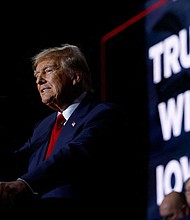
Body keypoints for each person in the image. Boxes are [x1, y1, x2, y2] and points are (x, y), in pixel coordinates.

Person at [0, 44, 127, 218]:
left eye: (48, 71)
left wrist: (25, 183)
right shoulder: (44, 125)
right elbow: (19, 157)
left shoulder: (103, 113)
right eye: (37, 75)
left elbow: (75, 153)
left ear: (75, 76)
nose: (39, 81)